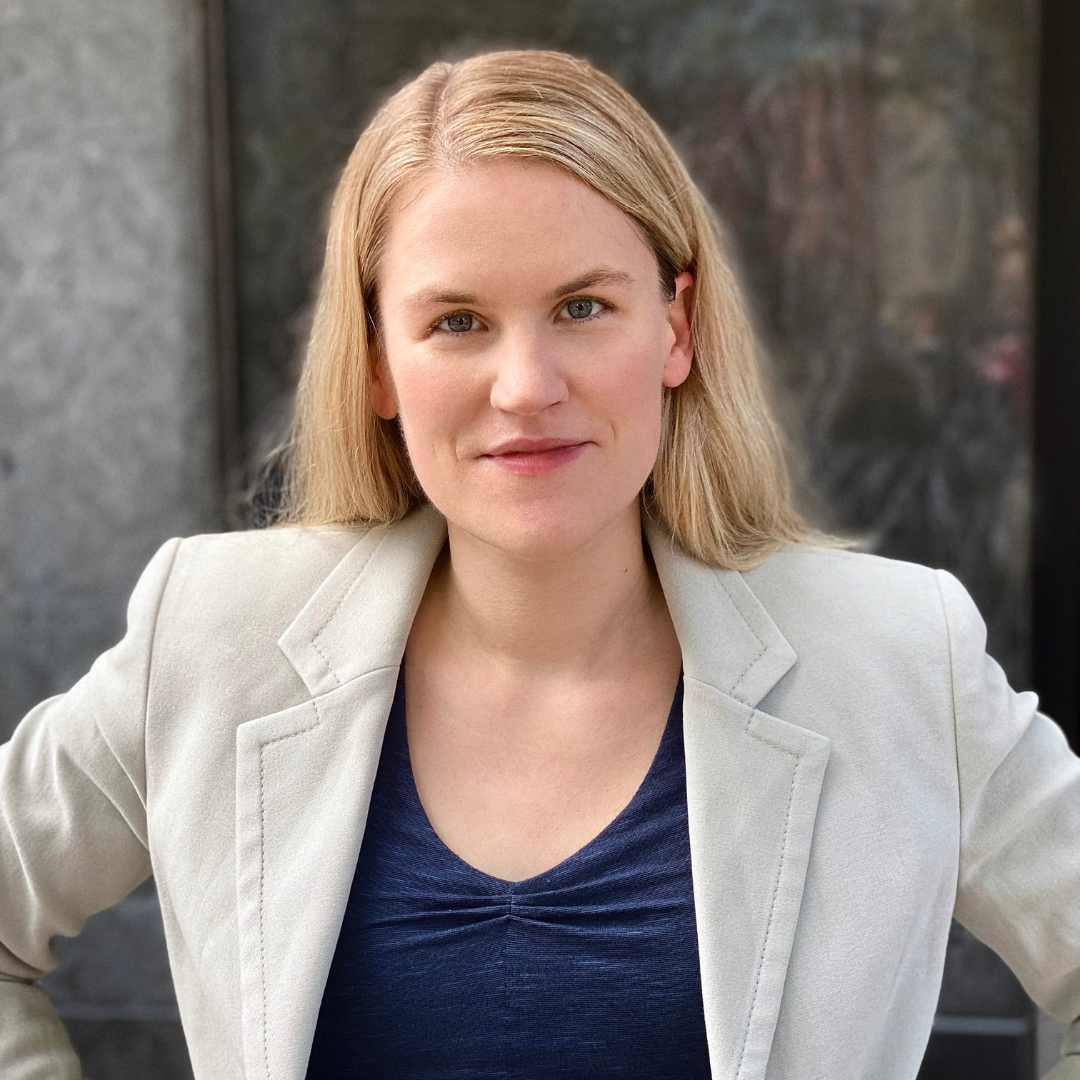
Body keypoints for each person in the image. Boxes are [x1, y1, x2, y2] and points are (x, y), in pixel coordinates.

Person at [0, 49, 1077, 1080]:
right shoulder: (211, 635)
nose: (524, 384)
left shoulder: (894, 657)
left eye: (581, 307)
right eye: (458, 321)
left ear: (677, 327)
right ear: (378, 360)